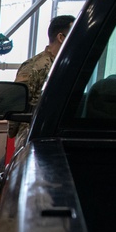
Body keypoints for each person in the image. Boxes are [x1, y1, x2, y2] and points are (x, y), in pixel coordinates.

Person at [9, 14, 75, 146]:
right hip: (32, 135)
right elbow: (17, 102)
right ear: (61, 37)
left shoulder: (64, 66)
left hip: (55, 133)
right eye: (74, 35)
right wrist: (13, 130)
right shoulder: (35, 66)